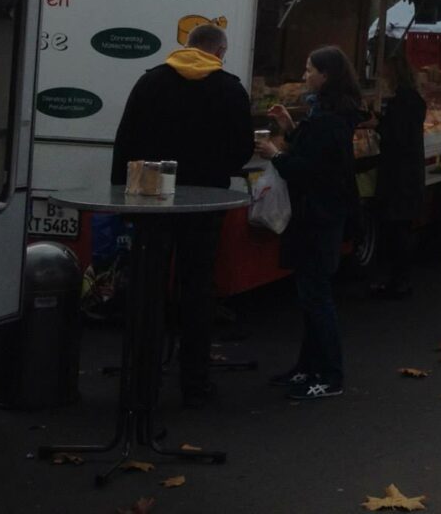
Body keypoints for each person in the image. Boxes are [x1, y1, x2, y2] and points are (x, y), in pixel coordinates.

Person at [110, 23, 252, 407]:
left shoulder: (150, 83)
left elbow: (125, 141)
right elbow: (241, 151)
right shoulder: (231, 89)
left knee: (149, 288)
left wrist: (122, 197)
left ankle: (142, 376)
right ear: (219, 52)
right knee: (196, 290)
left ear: (185, 47)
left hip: (151, 200)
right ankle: (195, 380)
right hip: (205, 204)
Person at [257, 46, 363, 401]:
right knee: (310, 296)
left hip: (317, 217)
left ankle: (330, 375)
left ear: (326, 75)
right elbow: (315, 155)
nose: (304, 75)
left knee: (316, 298)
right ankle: (307, 366)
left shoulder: (329, 119)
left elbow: (308, 170)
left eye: (309, 69)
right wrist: (290, 128)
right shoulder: (328, 115)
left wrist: (276, 154)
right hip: (323, 216)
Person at [368, 47, 426, 300]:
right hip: (410, 173)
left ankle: (398, 281)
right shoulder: (413, 99)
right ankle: (400, 279)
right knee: (401, 228)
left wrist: (378, 125)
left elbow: (396, 136)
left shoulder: (402, 100)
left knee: (396, 229)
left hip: (399, 175)